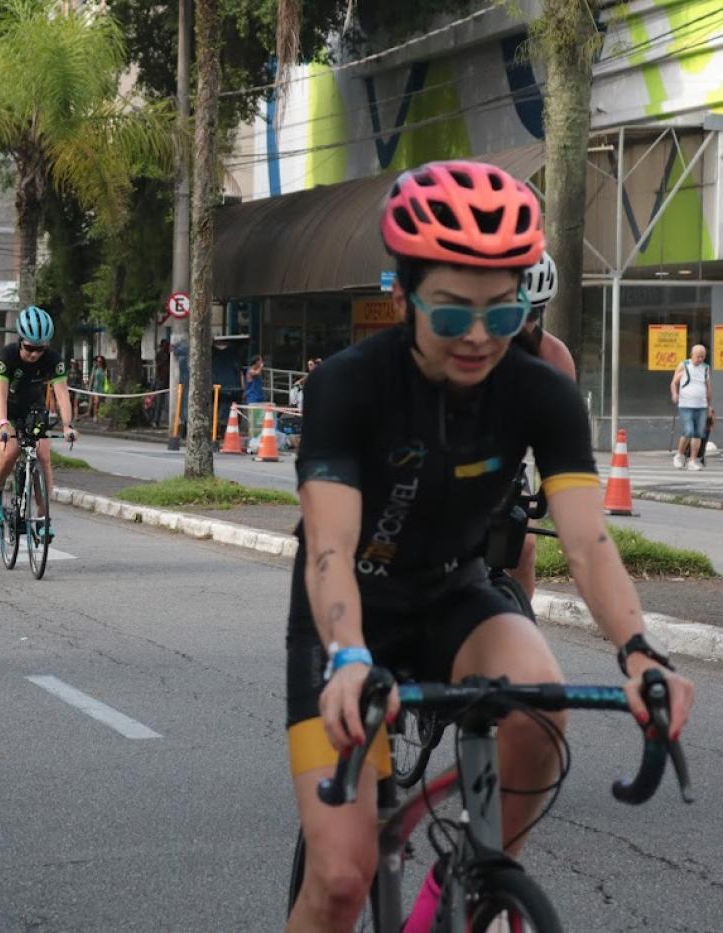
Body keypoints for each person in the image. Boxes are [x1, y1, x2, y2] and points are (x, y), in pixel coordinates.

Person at [286, 160, 693, 933]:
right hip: (348, 612)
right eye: (450, 314)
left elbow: (587, 536)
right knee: (341, 879)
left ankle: (470, 877)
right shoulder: (347, 385)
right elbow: (329, 545)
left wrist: (641, 651)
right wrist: (346, 653)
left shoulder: (541, 389)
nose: (478, 337)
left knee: (541, 706)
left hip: (453, 591)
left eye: (501, 315)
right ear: (402, 298)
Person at [506, 250, 578, 600]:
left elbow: (562, 440)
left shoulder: (555, 357)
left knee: (524, 548)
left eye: (532, 314)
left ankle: (523, 624)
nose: (523, 325)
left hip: (505, 468)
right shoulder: (460, 346)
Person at [0, 305, 77, 532]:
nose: (34, 354)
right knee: (11, 450)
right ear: (20, 340)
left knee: (43, 455)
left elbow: (62, 393)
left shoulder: (53, 359)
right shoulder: (7, 355)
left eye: (40, 349)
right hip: (4, 407)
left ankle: (44, 519)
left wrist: (68, 425)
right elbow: (1, 394)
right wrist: (4, 424)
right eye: (29, 348)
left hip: (32, 409)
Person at [670, 344, 712, 471]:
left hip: (701, 405)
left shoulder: (706, 368)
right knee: (688, 431)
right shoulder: (684, 365)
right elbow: (674, 382)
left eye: (703, 357)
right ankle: (680, 455)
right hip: (686, 404)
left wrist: (709, 406)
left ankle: (693, 460)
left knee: (698, 434)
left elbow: (708, 387)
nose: (700, 359)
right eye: (698, 356)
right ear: (691, 355)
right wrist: (675, 394)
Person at [243, 355, 266, 441]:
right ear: (256, 362)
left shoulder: (257, 371)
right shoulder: (250, 371)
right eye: (260, 361)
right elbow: (256, 373)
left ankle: (258, 435)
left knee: (259, 418)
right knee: (252, 417)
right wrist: (260, 367)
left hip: (259, 395)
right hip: (252, 396)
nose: (261, 363)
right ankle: (251, 435)